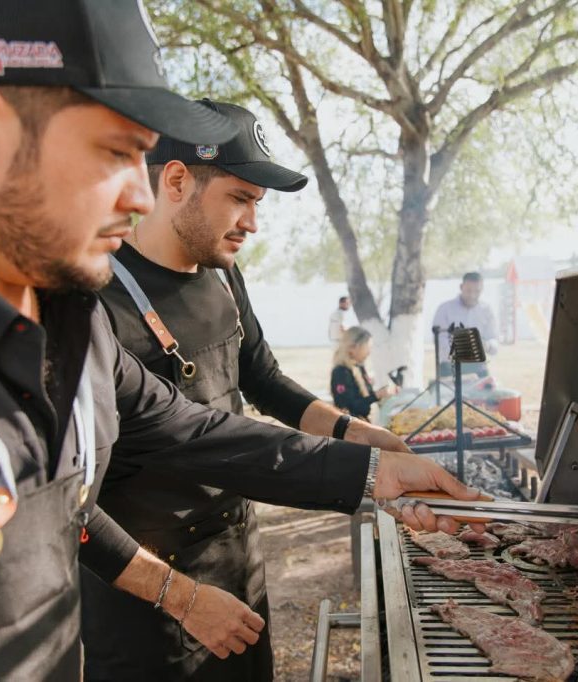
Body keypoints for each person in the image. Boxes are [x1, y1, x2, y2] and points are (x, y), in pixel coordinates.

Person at [0, 2, 482, 679]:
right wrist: (177, 594)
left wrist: (373, 472)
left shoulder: (66, 310)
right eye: (117, 152)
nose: (140, 200)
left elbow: (194, 431)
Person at [86, 101, 410, 680]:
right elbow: (73, 506)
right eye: (240, 198)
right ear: (178, 180)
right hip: (148, 597)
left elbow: (263, 379)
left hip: (240, 559)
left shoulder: (222, 272)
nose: (253, 223)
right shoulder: (96, 301)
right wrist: (180, 598)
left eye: (257, 205)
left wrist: (358, 433)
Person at [432, 271, 499, 377]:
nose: (472, 295)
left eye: (477, 291)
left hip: (479, 368)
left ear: (482, 289)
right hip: (450, 368)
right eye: (469, 290)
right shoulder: (445, 309)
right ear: (461, 287)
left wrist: (487, 345)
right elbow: (439, 339)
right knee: (448, 394)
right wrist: (458, 353)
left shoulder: (487, 310)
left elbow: (494, 340)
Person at [331, 327, 398, 420]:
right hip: (352, 429)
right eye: (368, 347)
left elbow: (365, 399)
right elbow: (350, 408)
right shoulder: (341, 372)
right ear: (354, 347)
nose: (369, 352)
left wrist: (383, 393)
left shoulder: (359, 367)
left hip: (363, 422)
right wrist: (377, 395)